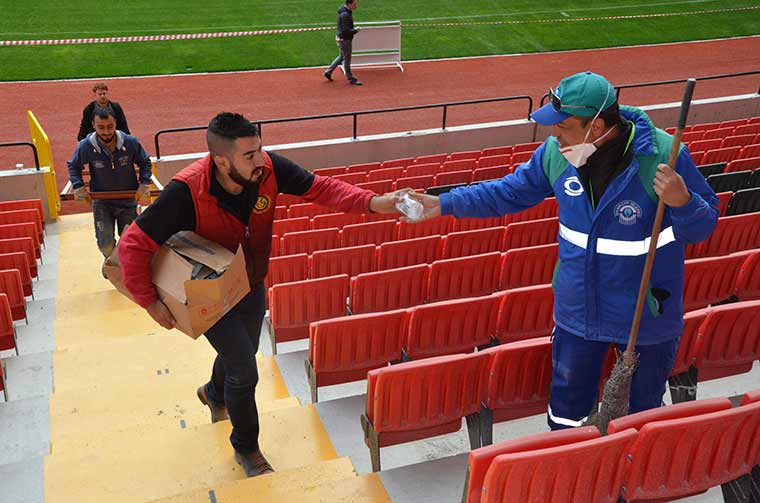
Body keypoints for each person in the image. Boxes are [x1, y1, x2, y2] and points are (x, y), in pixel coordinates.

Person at [404, 71, 718, 430]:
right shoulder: (555, 153)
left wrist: (684, 202)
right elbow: (508, 192)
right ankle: (570, 469)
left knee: (643, 410)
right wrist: (444, 204)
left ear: (597, 127)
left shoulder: (665, 155)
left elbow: (702, 228)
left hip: (646, 313)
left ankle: (630, 479)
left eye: (563, 126)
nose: (554, 135)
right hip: (578, 307)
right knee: (566, 408)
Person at [117, 112, 402, 477]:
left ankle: (213, 393)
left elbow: (321, 187)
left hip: (250, 283)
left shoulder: (268, 168)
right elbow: (133, 245)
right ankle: (247, 448)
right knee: (245, 369)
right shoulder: (185, 191)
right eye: (249, 154)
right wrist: (149, 302)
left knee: (243, 353)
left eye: (260, 149)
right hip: (207, 296)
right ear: (221, 161)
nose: (260, 160)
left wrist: (373, 202)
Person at [67, 106, 152, 258]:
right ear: (93, 125)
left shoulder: (130, 142)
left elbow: (145, 161)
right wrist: (78, 186)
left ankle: (123, 264)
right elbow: (74, 165)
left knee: (130, 240)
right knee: (105, 244)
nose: (106, 132)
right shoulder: (86, 146)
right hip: (102, 202)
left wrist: (144, 183)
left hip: (127, 200)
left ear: (116, 123)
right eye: (101, 127)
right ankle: (112, 261)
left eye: (110, 127)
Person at [323, 0, 362, 86]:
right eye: (354, 4)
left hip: (340, 38)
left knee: (341, 56)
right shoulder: (345, 15)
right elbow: (346, 31)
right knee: (347, 59)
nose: (356, 5)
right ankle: (351, 79)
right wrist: (356, 30)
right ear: (349, 4)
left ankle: (328, 72)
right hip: (345, 40)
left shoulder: (345, 11)